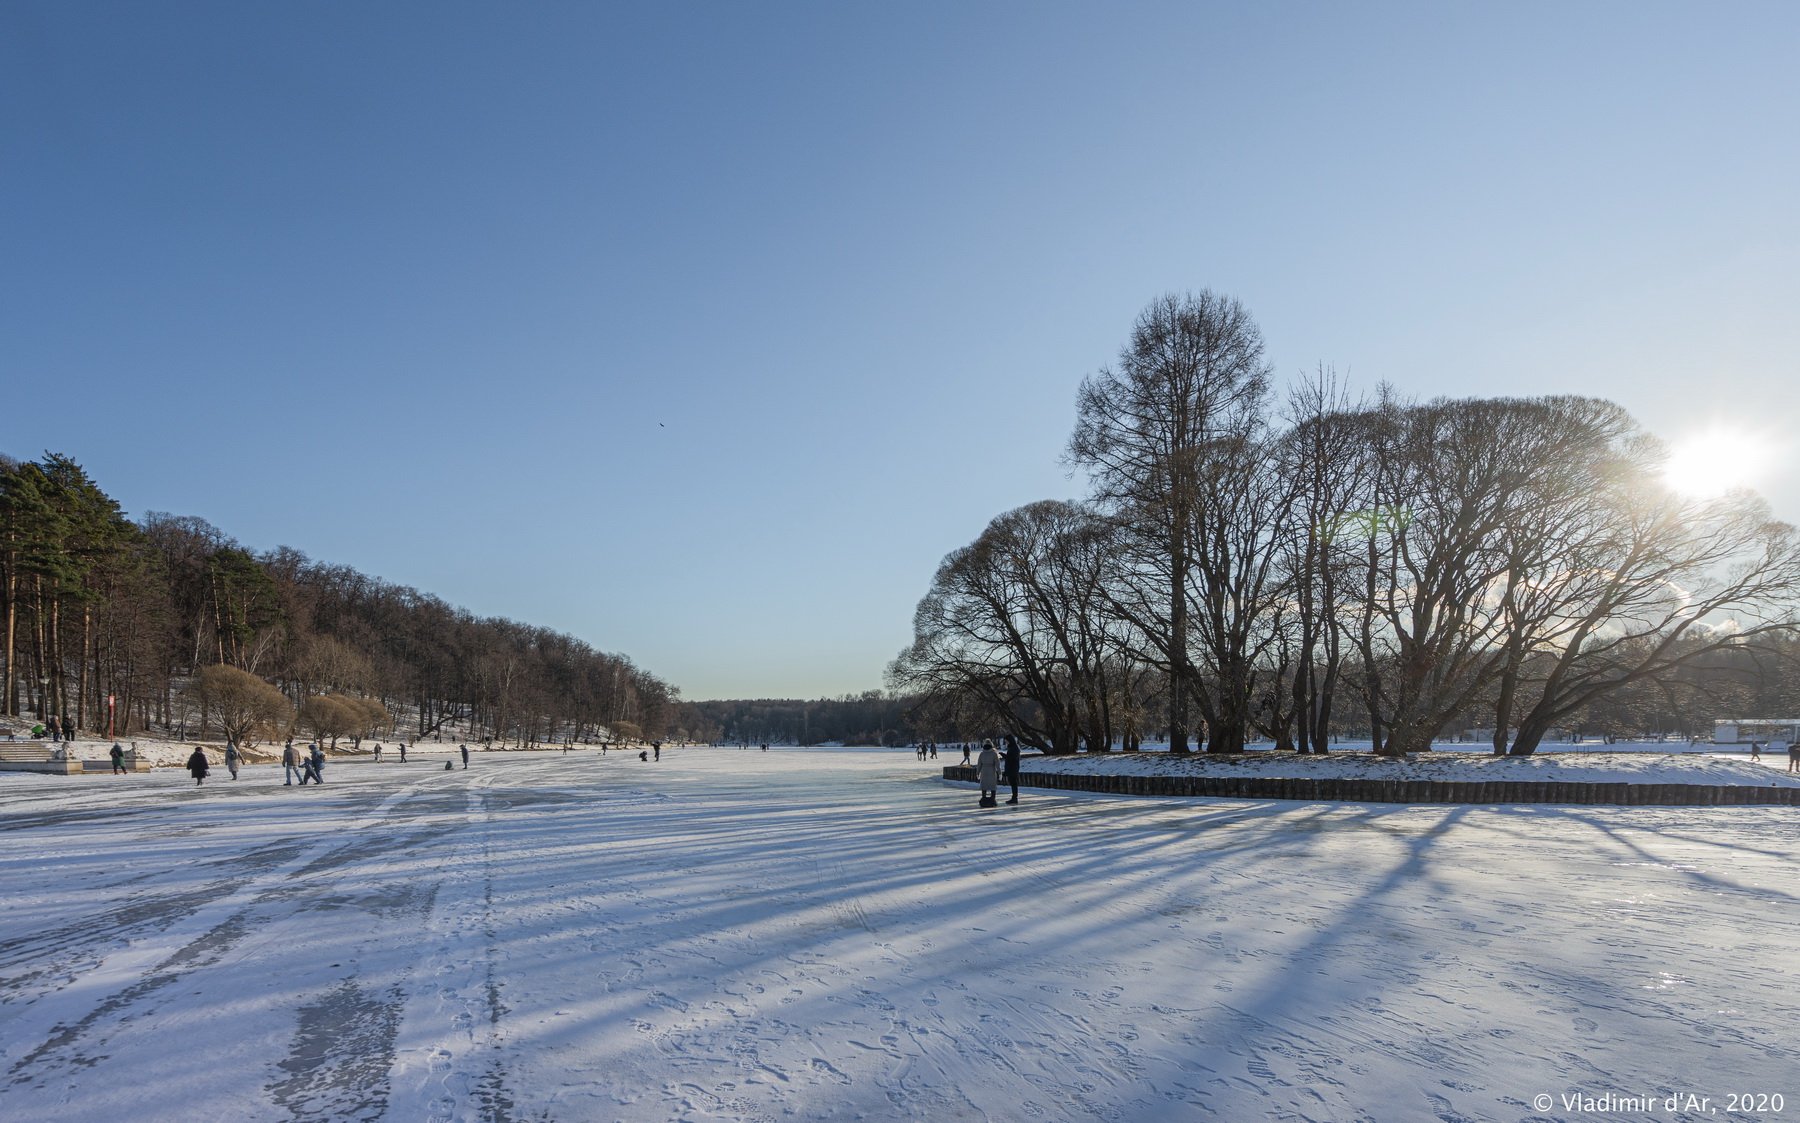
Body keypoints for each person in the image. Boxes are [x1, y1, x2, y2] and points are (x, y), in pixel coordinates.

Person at [976, 740, 999, 806]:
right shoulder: (994, 753)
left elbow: (979, 764)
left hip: (984, 771)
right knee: (992, 786)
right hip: (992, 770)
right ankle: (993, 800)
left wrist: (978, 772)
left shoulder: (982, 753)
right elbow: (997, 764)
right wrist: (999, 772)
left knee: (984, 786)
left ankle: (984, 799)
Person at [1003, 734, 1022, 805]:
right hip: (1012, 768)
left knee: (1014, 783)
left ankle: (1014, 798)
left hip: (1013, 768)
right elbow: (1010, 758)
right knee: (1013, 783)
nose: (1006, 742)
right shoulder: (1012, 747)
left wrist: (1005, 756)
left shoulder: (1014, 748)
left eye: (1006, 741)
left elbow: (1012, 759)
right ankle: (1014, 798)